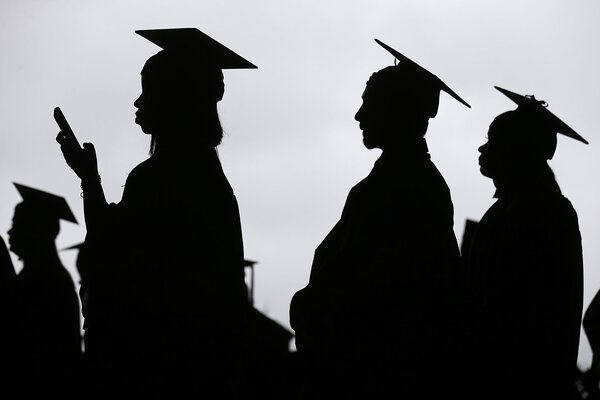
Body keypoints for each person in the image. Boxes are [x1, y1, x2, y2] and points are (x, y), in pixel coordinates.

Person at [56, 28, 255, 398]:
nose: (137, 102)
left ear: (175, 99)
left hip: (157, 370)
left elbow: (110, 256)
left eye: (148, 90)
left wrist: (91, 182)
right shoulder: (208, 180)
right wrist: (89, 179)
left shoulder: (158, 179)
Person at [289, 38, 470, 399]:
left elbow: (365, 289)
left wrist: (308, 306)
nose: (359, 116)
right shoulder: (406, 182)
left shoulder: (402, 188)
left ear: (397, 111)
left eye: (368, 104)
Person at [466, 86, 586, 400]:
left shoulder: (539, 211)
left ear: (517, 149)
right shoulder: (524, 207)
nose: (483, 148)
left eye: (493, 140)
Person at [2, 183, 83, 398]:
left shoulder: (43, 279)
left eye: (16, 224)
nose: (10, 231)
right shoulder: (49, 275)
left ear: (36, 231)